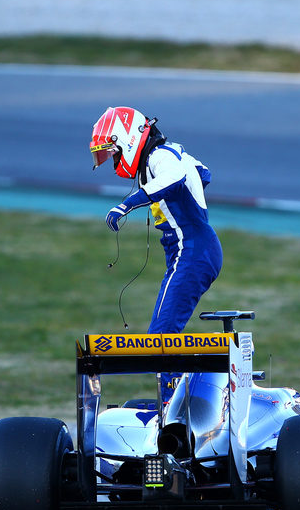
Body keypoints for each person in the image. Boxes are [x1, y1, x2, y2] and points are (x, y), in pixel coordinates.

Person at [91, 107, 223, 398]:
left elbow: (174, 179)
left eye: (112, 152)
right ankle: (180, 406)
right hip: (191, 252)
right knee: (162, 339)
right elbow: (204, 173)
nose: (113, 160)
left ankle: (177, 413)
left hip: (192, 251)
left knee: (160, 340)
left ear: (127, 141)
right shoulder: (168, 153)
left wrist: (126, 204)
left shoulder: (160, 157)